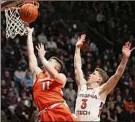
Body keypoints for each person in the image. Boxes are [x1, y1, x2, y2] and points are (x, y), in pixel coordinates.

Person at [74, 34, 135, 121]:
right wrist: (77, 48)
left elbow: (117, 75)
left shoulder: (101, 90)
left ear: (99, 80)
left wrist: (125, 58)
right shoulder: (82, 86)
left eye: (94, 74)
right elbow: (77, 67)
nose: (90, 75)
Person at [26, 27, 77, 122]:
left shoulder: (61, 77)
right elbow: (31, 55)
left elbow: (55, 75)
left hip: (59, 110)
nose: (46, 62)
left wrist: (42, 58)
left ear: (56, 68)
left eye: (50, 61)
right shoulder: (39, 74)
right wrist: (29, 34)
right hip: (44, 114)